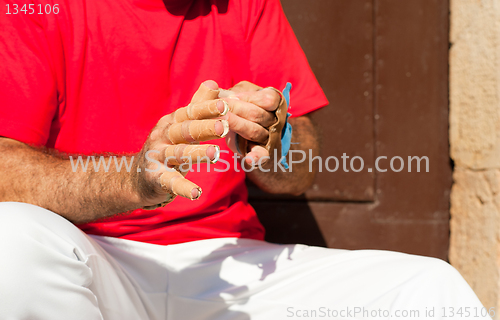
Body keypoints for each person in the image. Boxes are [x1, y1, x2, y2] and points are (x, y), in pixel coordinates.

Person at [0, 0, 490, 319]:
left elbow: (298, 172)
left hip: (228, 271)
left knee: (429, 292)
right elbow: (5, 170)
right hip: (97, 267)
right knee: (8, 242)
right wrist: (132, 179)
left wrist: (271, 139)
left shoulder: (246, 3)